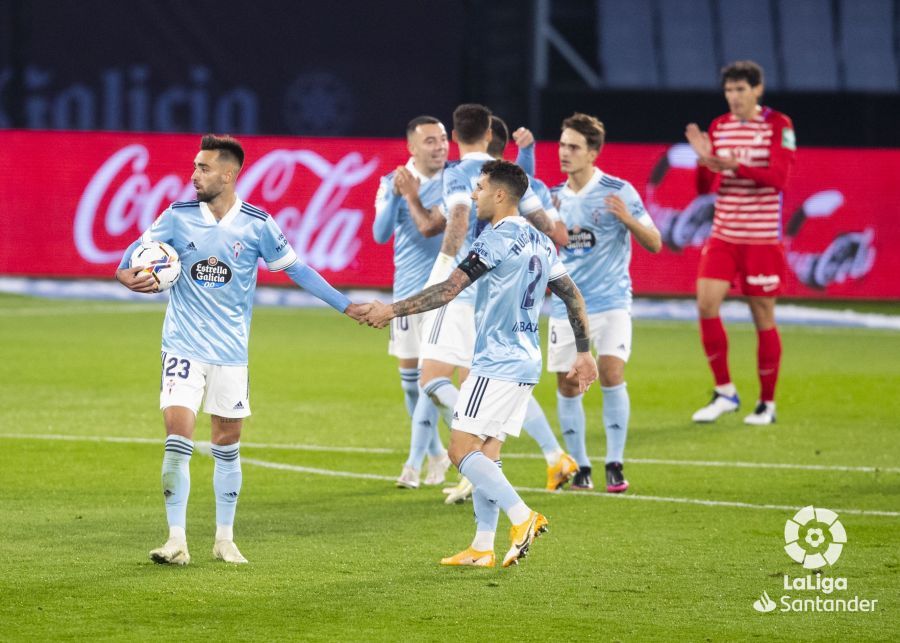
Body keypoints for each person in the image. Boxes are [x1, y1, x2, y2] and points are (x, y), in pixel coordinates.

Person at [115, 134, 368, 565]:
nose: (194, 175)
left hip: (231, 353)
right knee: (178, 436)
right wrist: (127, 278)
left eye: (204, 168)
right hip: (182, 346)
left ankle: (224, 538)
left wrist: (347, 306)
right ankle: (176, 539)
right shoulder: (176, 217)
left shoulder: (257, 224)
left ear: (229, 174)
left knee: (226, 444)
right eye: (195, 166)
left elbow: (299, 270)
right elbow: (128, 260)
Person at [362, 160, 598, 567]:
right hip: (526, 360)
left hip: (496, 361)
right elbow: (571, 293)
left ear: (501, 195)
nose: (474, 195)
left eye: (481, 188)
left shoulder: (495, 238)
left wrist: (393, 310)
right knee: (487, 453)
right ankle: (482, 546)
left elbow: (449, 290)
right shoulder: (540, 239)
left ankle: (522, 516)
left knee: (459, 450)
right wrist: (583, 350)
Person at [419, 103, 559, 504]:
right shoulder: (514, 184)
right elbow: (548, 229)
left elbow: (455, 219)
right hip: (504, 299)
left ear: (457, 135)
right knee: (481, 381)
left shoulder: (461, 176)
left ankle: (469, 458)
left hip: (466, 288)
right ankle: (543, 456)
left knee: (432, 378)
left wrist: (444, 269)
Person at [550, 113, 662, 492]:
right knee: (567, 384)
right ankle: (580, 465)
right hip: (567, 306)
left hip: (612, 300)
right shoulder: (552, 197)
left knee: (612, 372)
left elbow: (655, 242)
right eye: (563, 144)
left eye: (574, 147)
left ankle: (614, 461)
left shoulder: (619, 191)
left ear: (593, 153)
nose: (564, 153)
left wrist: (627, 220)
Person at [685, 60, 796, 425]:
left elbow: (778, 178)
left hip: (761, 239)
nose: (733, 97)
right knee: (705, 304)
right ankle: (725, 392)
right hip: (724, 234)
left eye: (740, 90)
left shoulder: (778, 125)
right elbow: (704, 189)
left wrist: (732, 165)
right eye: (729, 91)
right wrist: (704, 161)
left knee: (761, 314)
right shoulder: (719, 126)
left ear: (757, 90)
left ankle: (767, 403)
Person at [485, 115, 579, 491]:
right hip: (513, 296)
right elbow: (559, 234)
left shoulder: (467, 181)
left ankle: (472, 464)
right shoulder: (526, 184)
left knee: (456, 379)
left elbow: (559, 234)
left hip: (492, 298)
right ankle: (547, 456)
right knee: (502, 385)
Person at [372, 115, 452, 489]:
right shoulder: (392, 182)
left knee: (427, 384)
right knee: (409, 385)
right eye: (431, 141)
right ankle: (437, 453)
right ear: (412, 148)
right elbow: (380, 233)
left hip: (443, 296)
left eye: (443, 139)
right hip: (405, 296)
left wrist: (411, 196)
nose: (440, 146)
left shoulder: (457, 182)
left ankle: (413, 464)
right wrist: (394, 194)